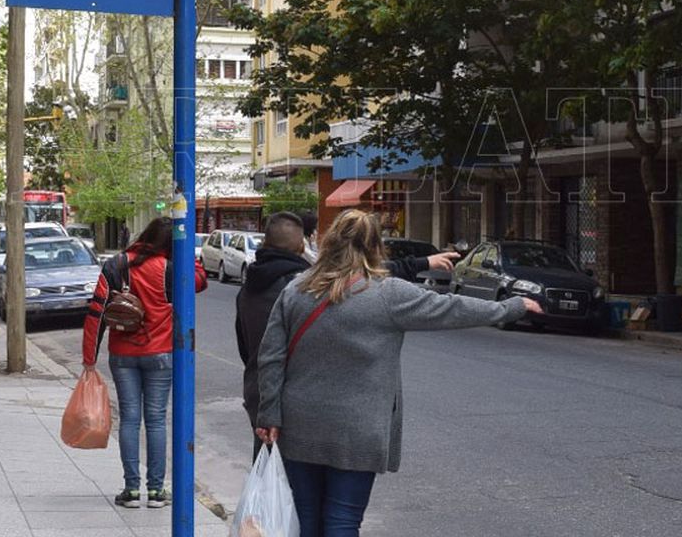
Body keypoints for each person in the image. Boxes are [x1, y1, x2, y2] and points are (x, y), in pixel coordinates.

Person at [255, 210, 541, 536]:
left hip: (299, 424)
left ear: (328, 242)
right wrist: (511, 307)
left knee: (305, 519)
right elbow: (452, 308)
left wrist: (269, 415)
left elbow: (271, 357)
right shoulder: (387, 294)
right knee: (342, 521)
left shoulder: (296, 290)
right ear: (376, 246)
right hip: (359, 430)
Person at [235, 211, 462, 457]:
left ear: (264, 243)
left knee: (268, 477)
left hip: (258, 393)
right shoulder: (302, 288)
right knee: (293, 483)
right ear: (302, 245)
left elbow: (245, 346)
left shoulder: (249, 289)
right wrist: (422, 263)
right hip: (295, 399)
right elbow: (361, 278)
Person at [82, 217, 208, 510]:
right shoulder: (172, 269)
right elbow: (200, 281)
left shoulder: (117, 264)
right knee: (155, 420)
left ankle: (131, 489)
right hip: (161, 354)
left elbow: (96, 311)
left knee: (129, 419)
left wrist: (89, 359)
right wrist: (189, 252)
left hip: (123, 354)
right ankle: (155, 491)